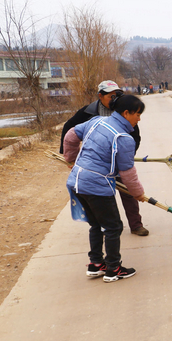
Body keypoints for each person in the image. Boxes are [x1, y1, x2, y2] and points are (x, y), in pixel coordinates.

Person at [62, 95, 146, 282]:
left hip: (77, 181)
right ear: (126, 113)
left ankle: (96, 264)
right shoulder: (124, 138)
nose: (139, 119)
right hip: (96, 186)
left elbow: (70, 135)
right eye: (137, 114)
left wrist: (71, 159)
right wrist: (138, 193)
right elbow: (127, 173)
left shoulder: (96, 121)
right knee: (113, 226)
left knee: (97, 224)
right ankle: (114, 268)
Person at [60, 80, 149, 236]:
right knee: (103, 200)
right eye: (111, 96)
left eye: (118, 95)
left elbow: (135, 137)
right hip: (97, 169)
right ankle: (105, 228)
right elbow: (70, 131)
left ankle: (136, 224)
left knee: (128, 192)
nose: (115, 99)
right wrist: (71, 158)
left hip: (118, 163)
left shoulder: (125, 111)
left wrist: (126, 155)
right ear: (100, 96)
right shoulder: (89, 112)